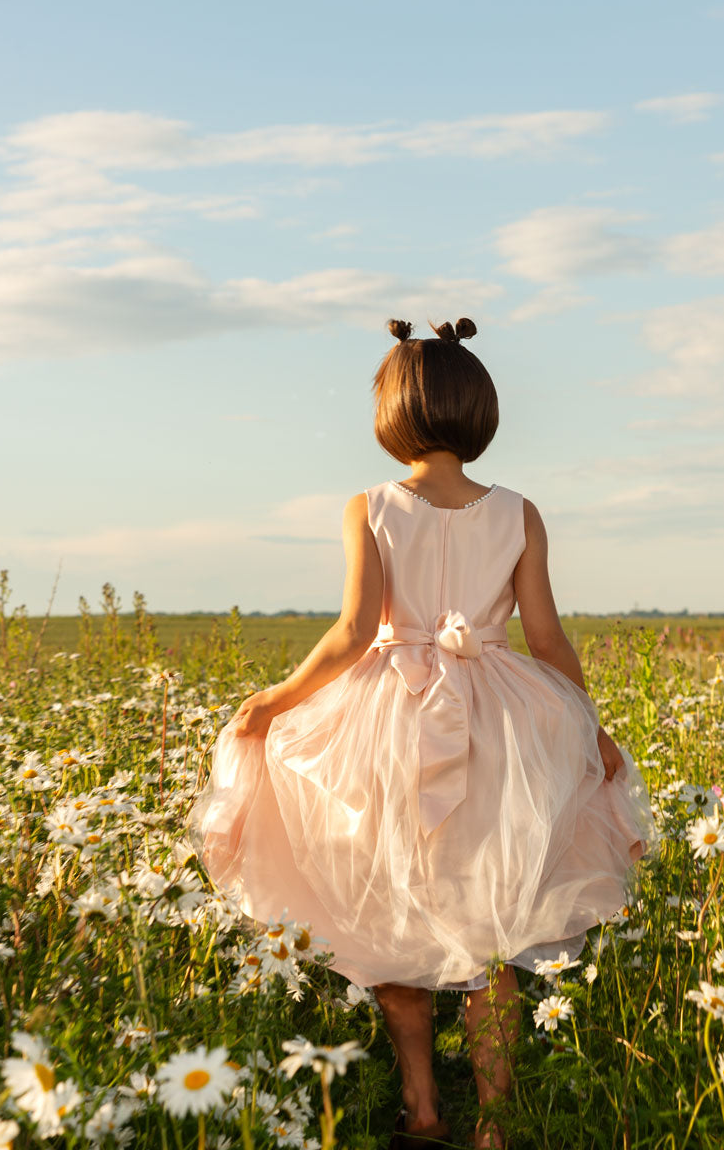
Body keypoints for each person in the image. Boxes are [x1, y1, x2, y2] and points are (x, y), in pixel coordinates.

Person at [190, 317, 659, 1150]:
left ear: (392, 411)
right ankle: (497, 1123)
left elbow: (350, 632)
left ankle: (421, 1109)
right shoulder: (517, 511)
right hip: (502, 722)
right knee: (493, 924)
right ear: (478, 409)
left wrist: (275, 699)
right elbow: (546, 640)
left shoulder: (369, 507)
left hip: (386, 720)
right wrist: (589, 728)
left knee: (383, 905)